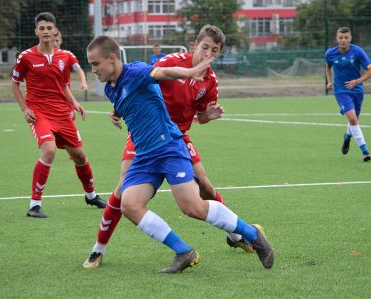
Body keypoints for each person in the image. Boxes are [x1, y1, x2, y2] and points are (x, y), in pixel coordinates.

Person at [85, 35, 274, 273]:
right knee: (130, 204)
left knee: (192, 207)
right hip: (144, 156)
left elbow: (164, 73)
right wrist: (117, 111)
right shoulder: (110, 88)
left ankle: (251, 234)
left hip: (169, 148)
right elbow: (129, 100)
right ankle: (184, 251)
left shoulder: (137, 72)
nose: (92, 70)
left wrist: (189, 72)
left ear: (112, 58)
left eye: (95, 64)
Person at [11, 12, 106, 218]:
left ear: (55, 31)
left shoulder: (63, 56)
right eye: (42, 28)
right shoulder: (26, 57)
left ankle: (91, 196)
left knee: (80, 155)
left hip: (62, 114)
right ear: (36, 31)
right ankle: (34, 205)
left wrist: (74, 103)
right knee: (49, 150)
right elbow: (15, 84)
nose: (45, 31)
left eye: (49, 28)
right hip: (40, 113)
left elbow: (63, 85)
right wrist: (25, 109)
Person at [325, 27, 371, 162]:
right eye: (341, 38)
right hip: (341, 91)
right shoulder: (330, 53)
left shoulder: (358, 51)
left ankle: (347, 137)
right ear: (337, 39)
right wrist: (330, 82)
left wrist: (357, 81)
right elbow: (328, 66)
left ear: (350, 38)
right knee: (353, 120)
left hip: (357, 90)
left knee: (354, 120)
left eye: (346, 37)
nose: (343, 40)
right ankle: (365, 151)